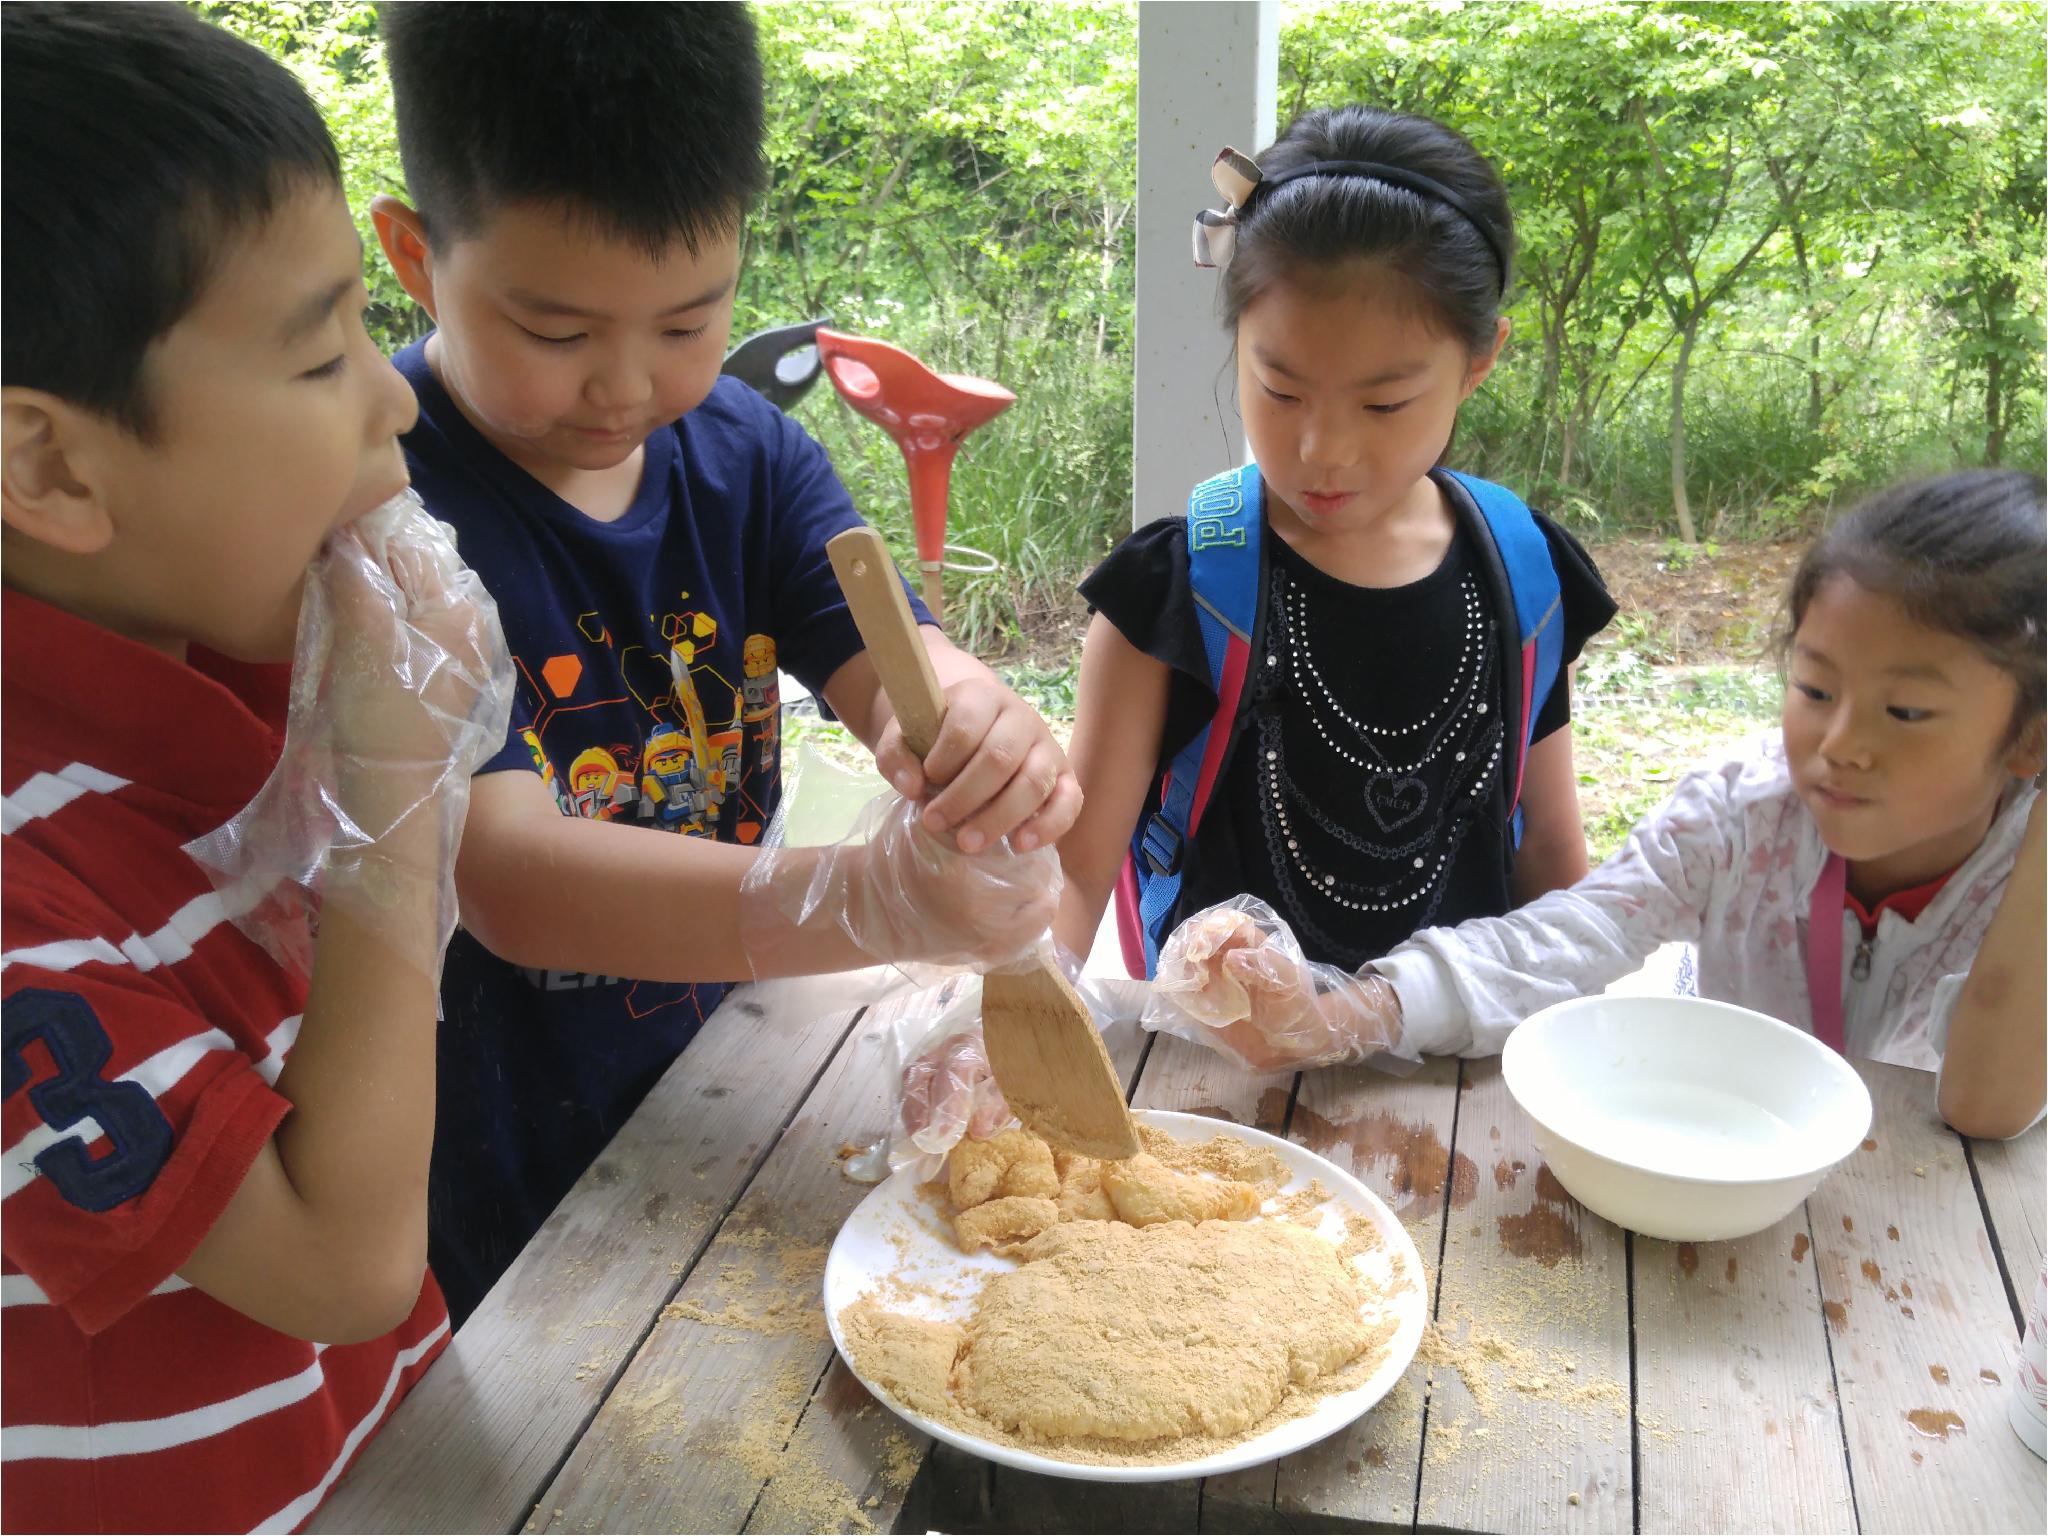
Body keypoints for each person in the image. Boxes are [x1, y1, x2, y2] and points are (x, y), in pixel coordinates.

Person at [367, 4, 1078, 1324]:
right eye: (561, 333)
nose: (625, 386)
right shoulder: (385, 516)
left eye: (689, 321)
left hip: (724, 1082)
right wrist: (867, 899)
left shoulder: (749, 458)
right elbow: (506, 876)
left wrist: (980, 733)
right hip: (495, 1163)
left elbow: (892, 661)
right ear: (415, 255)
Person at [1, 6, 510, 1529]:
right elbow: (341, 1269)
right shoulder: (23, 881)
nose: (394, 398)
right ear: (50, 469)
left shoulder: (218, 656)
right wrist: (392, 800)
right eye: (316, 358)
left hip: (383, 1473)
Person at [1151, 471, 2046, 1141]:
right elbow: (1571, 936)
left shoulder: (2023, 874)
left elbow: (1984, 1109)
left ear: (2028, 738)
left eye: (1907, 712)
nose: (1842, 743)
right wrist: (1344, 1011)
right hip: (1725, 1161)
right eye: (1814, 689)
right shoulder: (1744, 818)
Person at [1054, 105, 1615, 978]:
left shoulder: (1525, 576)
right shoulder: (1173, 592)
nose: (1322, 450)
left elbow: (1548, 859)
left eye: (1383, 404)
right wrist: (1008, 1022)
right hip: (1217, 1087)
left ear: (1479, 361)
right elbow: (1074, 874)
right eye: (1279, 390)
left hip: (1455, 1083)